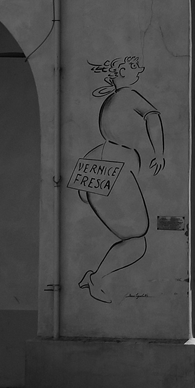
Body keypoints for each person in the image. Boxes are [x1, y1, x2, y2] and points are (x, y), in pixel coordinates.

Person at [77, 56, 165, 303]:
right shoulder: (127, 95)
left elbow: (103, 145)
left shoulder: (112, 99)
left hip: (103, 167)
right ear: (121, 73)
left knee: (136, 239)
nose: (137, 71)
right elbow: (153, 116)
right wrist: (159, 153)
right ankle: (96, 278)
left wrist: (84, 182)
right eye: (131, 68)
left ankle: (95, 277)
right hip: (112, 171)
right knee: (138, 240)